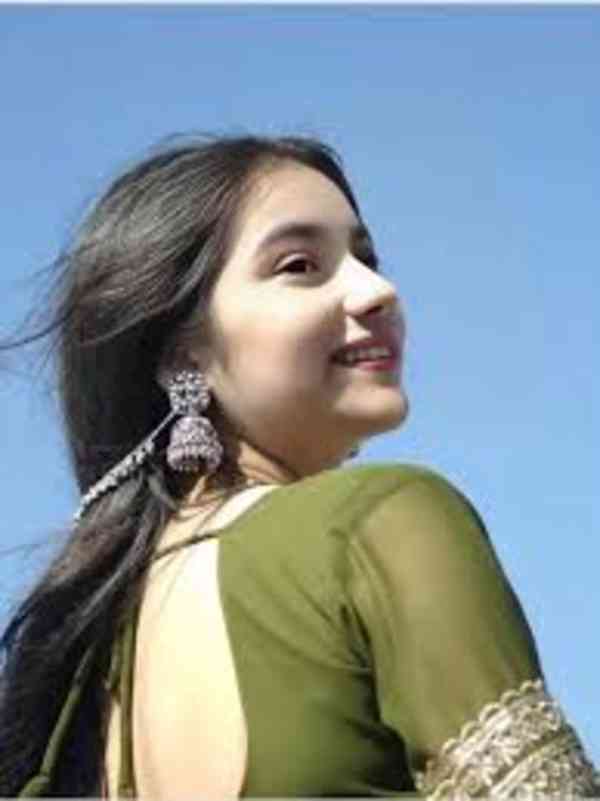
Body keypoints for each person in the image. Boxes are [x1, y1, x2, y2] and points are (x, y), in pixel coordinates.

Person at [0, 134, 597, 799]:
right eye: (300, 265)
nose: (378, 290)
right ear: (182, 352)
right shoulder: (384, 524)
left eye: (366, 257)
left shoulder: (81, 673)